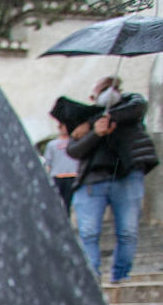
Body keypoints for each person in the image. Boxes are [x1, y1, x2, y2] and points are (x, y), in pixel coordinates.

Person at [69, 76, 160, 283]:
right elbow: (74, 149)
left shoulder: (131, 106)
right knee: (88, 232)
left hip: (126, 178)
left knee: (128, 232)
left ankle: (121, 276)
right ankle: (92, 277)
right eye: (102, 89)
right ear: (93, 96)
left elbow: (137, 107)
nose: (108, 92)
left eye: (111, 87)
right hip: (92, 181)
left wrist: (95, 121)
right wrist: (96, 133)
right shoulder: (84, 118)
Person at [42, 118, 80, 213]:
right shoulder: (52, 144)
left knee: (73, 202)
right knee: (59, 203)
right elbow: (48, 162)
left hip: (73, 175)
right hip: (58, 176)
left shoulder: (76, 142)